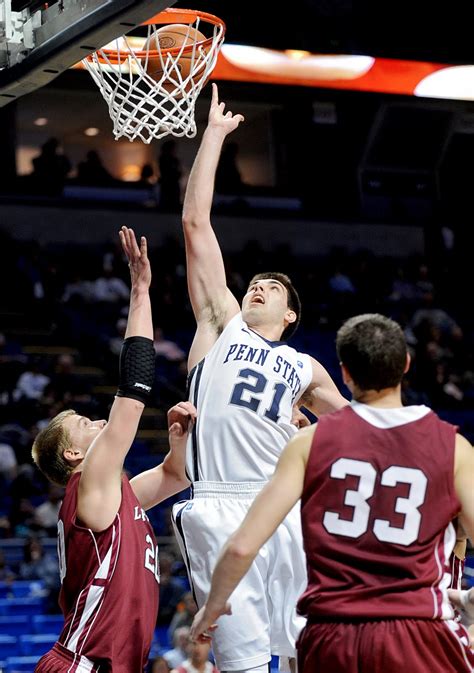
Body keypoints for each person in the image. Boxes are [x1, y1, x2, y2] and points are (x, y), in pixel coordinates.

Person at [171, 83, 348, 673]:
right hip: (220, 502)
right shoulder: (223, 325)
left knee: (308, 651)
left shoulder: (305, 367)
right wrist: (214, 137)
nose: (259, 285)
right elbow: (196, 223)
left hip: (285, 505)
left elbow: (358, 427)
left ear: (291, 315)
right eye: (256, 281)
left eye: (273, 287)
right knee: (243, 662)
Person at [190, 313, 474, 673]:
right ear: (405, 364)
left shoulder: (309, 442)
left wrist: (212, 607)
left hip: (330, 634)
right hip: (415, 628)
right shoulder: (453, 447)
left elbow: (242, 545)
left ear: (344, 373)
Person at [32, 226, 192, 672]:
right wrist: (140, 292)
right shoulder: (90, 479)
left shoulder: (113, 495)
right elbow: (134, 389)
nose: (99, 422)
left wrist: (176, 442)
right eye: (85, 425)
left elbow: (175, 477)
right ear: (72, 456)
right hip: (84, 663)